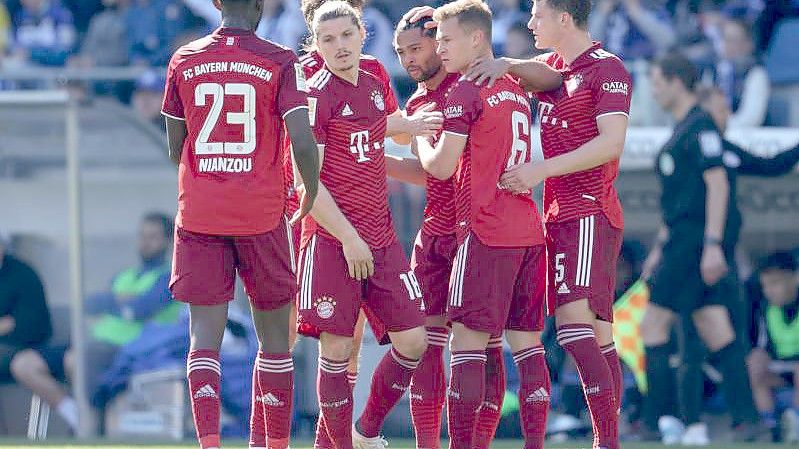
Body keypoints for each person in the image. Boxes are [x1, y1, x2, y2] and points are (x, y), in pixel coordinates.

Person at [463, 1, 632, 448]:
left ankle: (606, 441)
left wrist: (540, 169)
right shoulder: (554, 68)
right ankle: (607, 436)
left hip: (589, 210)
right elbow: (543, 74)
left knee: (573, 324)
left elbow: (612, 143)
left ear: (563, 17)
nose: (531, 23)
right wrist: (506, 64)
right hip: (558, 215)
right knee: (596, 333)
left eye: (538, 14)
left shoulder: (607, 68)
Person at [160, 0, 321, 447]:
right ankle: (275, 444)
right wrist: (309, 188)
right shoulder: (280, 59)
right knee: (273, 342)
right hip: (261, 212)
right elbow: (303, 143)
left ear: (215, 4)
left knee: (204, 338)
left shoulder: (185, 58)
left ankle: (209, 442)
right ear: (260, 5)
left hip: (200, 212)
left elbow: (175, 146)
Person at [287, 3, 441, 448]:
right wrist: (350, 239)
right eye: (327, 40)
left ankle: (364, 432)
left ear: (362, 34)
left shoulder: (375, 81)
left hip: (382, 239)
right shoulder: (314, 95)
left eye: (345, 36)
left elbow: (380, 133)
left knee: (414, 341)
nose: (338, 46)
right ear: (316, 45)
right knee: (337, 351)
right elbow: (306, 183)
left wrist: (409, 125)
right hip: (335, 240)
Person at [413, 1, 557, 447]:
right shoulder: (514, 84)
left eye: (447, 38)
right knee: (529, 348)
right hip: (529, 231)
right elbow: (553, 80)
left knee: (467, 348)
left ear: (477, 39)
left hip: (485, 231)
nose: (439, 46)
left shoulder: (467, 89)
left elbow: (439, 167)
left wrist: (418, 134)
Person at [640, 52, 764, 445]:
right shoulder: (685, 128)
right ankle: (747, 420)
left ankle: (656, 420)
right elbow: (680, 198)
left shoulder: (701, 126)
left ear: (677, 81)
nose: (654, 90)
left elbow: (718, 185)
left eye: (658, 81)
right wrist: (659, 246)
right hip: (680, 242)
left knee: (652, 327)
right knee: (715, 328)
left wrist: (712, 245)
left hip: (691, 245)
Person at [0, 235, 76, 430]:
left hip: (26, 346)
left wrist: (11, 325)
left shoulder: (23, 274)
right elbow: (10, 322)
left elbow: (29, 324)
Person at [748, 251, 799, 443]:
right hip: (781, 373)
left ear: (794, 278)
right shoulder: (764, 308)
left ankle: (795, 423)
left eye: (775, 283)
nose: (769, 290)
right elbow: (761, 346)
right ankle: (770, 427)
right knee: (754, 363)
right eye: (765, 285)